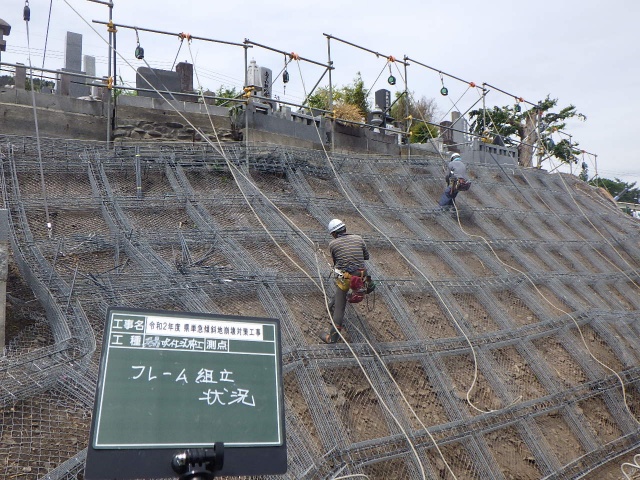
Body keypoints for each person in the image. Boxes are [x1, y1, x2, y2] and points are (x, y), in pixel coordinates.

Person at [321, 218, 370, 344]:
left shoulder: (333, 244)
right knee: (343, 291)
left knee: (340, 308)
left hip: (345, 276)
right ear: (345, 228)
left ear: (333, 234)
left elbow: (336, 262)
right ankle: (332, 304)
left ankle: (333, 338)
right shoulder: (359, 238)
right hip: (360, 275)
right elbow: (366, 257)